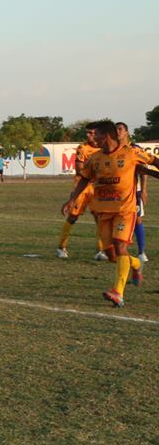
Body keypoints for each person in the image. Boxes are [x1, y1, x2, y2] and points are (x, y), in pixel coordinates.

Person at [63, 121, 159, 307]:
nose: (93, 138)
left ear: (106, 135)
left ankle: (118, 293)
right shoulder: (95, 158)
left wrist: (150, 172)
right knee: (112, 255)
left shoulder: (131, 152)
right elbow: (84, 178)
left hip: (125, 210)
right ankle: (136, 264)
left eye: (96, 134)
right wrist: (72, 199)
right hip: (103, 211)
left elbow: (154, 161)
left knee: (120, 245)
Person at [57, 125, 107, 260]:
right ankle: (62, 247)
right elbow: (80, 170)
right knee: (73, 217)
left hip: (97, 188)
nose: (88, 135)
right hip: (83, 187)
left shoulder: (104, 149)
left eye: (91, 133)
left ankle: (100, 250)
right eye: (87, 133)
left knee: (99, 218)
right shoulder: (82, 148)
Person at [118, 122, 149, 265]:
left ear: (127, 132)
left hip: (133, 192)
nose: (117, 132)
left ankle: (141, 252)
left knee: (137, 220)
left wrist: (143, 190)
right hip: (115, 194)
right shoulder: (112, 150)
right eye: (115, 130)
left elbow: (143, 171)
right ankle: (108, 250)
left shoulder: (135, 149)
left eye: (120, 129)